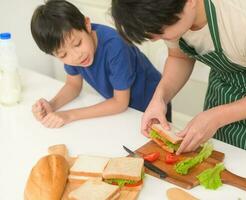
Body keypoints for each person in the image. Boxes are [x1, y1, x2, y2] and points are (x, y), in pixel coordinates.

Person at [111, 0, 246, 167]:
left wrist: (217, 116)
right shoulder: (169, 14)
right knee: (214, 170)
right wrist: (160, 98)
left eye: (161, 32)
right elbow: (179, 57)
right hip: (221, 94)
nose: (158, 38)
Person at [30, 0, 171, 128]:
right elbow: (73, 85)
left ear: (87, 24)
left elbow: (119, 103)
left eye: (77, 44)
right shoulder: (72, 50)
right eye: (63, 55)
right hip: (125, 112)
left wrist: (69, 115)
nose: (76, 56)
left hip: (152, 104)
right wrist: (52, 105)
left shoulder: (115, 46)